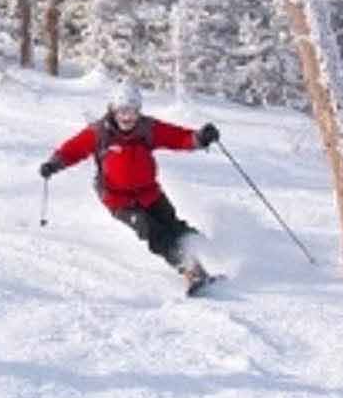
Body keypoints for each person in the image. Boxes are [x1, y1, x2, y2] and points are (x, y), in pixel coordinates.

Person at [39, 80, 220, 293]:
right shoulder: (99, 133)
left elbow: (178, 138)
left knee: (173, 225)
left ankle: (213, 252)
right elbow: (73, 150)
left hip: (150, 192)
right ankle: (190, 270)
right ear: (113, 110)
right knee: (154, 232)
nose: (127, 118)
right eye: (122, 111)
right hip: (119, 200)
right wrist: (53, 164)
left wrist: (200, 138)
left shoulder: (148, 129)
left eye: (132, 112)